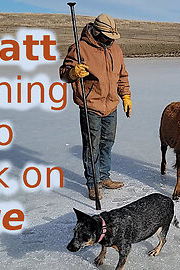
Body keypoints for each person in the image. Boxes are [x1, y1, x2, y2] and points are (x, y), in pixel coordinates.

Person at [60, 13, 131, 200]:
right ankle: (93, 184)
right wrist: (73, 73)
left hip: (111, 106)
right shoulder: (80, 48)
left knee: (107, 143)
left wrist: (126, 96)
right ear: (98, 32)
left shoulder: (116, 50)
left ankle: (104, 177)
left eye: (113, 38)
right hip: (91, 105)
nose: (110, 41)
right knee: (92, 147)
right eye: (108, 37)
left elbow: (122, 76)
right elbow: (63, 74)